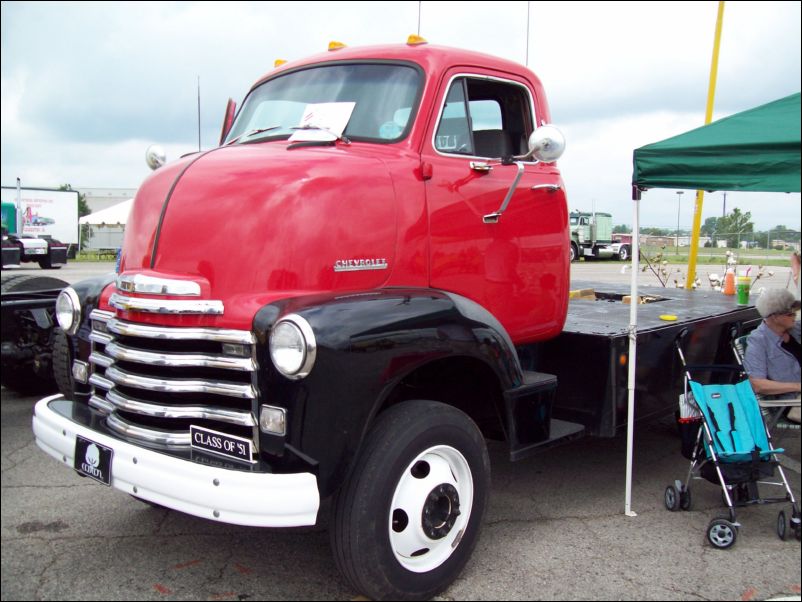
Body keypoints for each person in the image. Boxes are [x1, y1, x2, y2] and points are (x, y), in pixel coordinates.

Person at [743, 288, 801, 410]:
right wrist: (798, 386)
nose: (795, 316)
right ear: (774, 316)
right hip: (792, 402)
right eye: (790, 313)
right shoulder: (758, 341)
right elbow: (757, 384)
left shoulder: (795, 329)